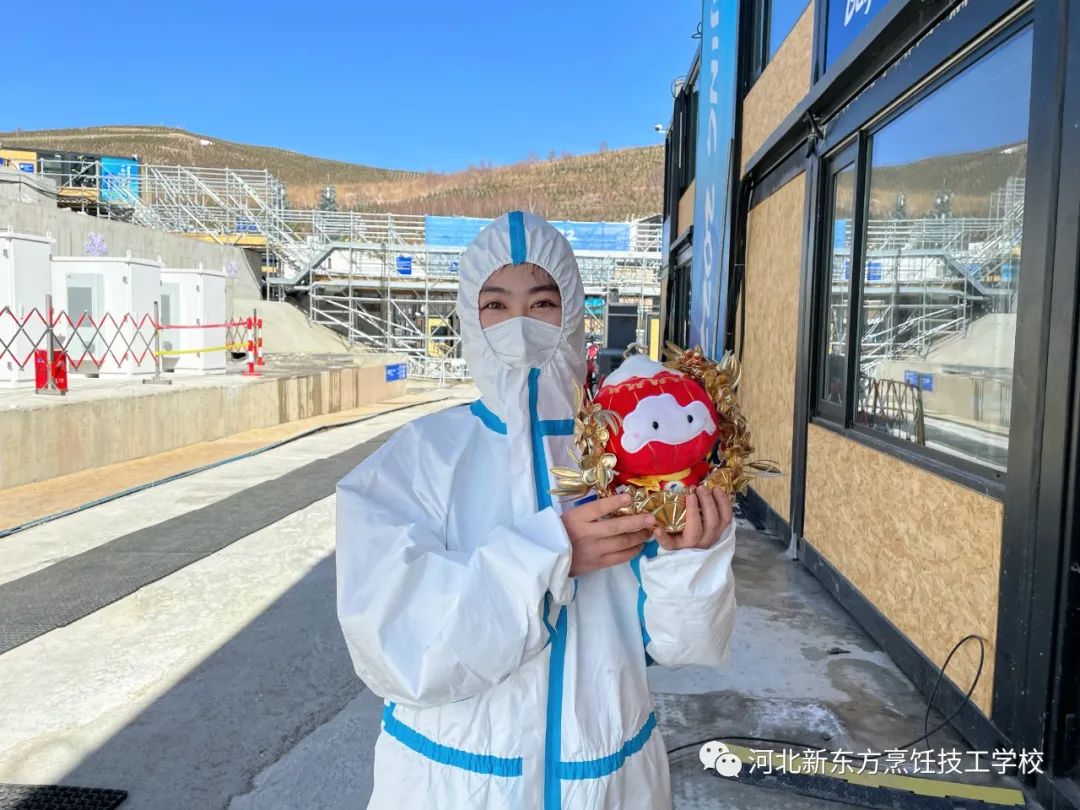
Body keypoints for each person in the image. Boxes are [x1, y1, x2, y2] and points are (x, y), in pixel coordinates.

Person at [336, 211, 737, 809]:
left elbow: (684, 648)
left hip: (607, 785)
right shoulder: (419, 459)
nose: (519, 325)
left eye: (543, 303)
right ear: (470, 319)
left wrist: (691, 563)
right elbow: (396, 648)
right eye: (496, 305)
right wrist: (551, 554)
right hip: (453, 788)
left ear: (573, 314)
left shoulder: (634, 455)